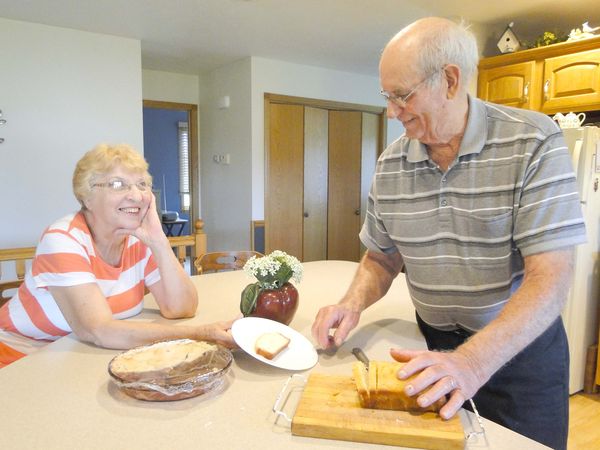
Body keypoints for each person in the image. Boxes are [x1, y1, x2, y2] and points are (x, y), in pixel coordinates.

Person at [311, 17, 586, 450]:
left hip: (519, 358)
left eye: (402, 95)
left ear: (451, 81)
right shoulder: (390, 165)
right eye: (387, 96)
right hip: (431, 349)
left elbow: (550, 280)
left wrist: (472, 363)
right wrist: (351, 304)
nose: (392, 110)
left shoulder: (533, 142)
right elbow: (382, 257)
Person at [0, 143, 236, 368]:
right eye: (118, 184)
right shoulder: (63, 238)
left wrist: (159, 241)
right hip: (21, 357)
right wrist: (200, 334)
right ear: (86, 197)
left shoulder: (136, 238)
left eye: (142, 184)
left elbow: (181, 307)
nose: (136, 195)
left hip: (83, 357)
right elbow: (99, 330)